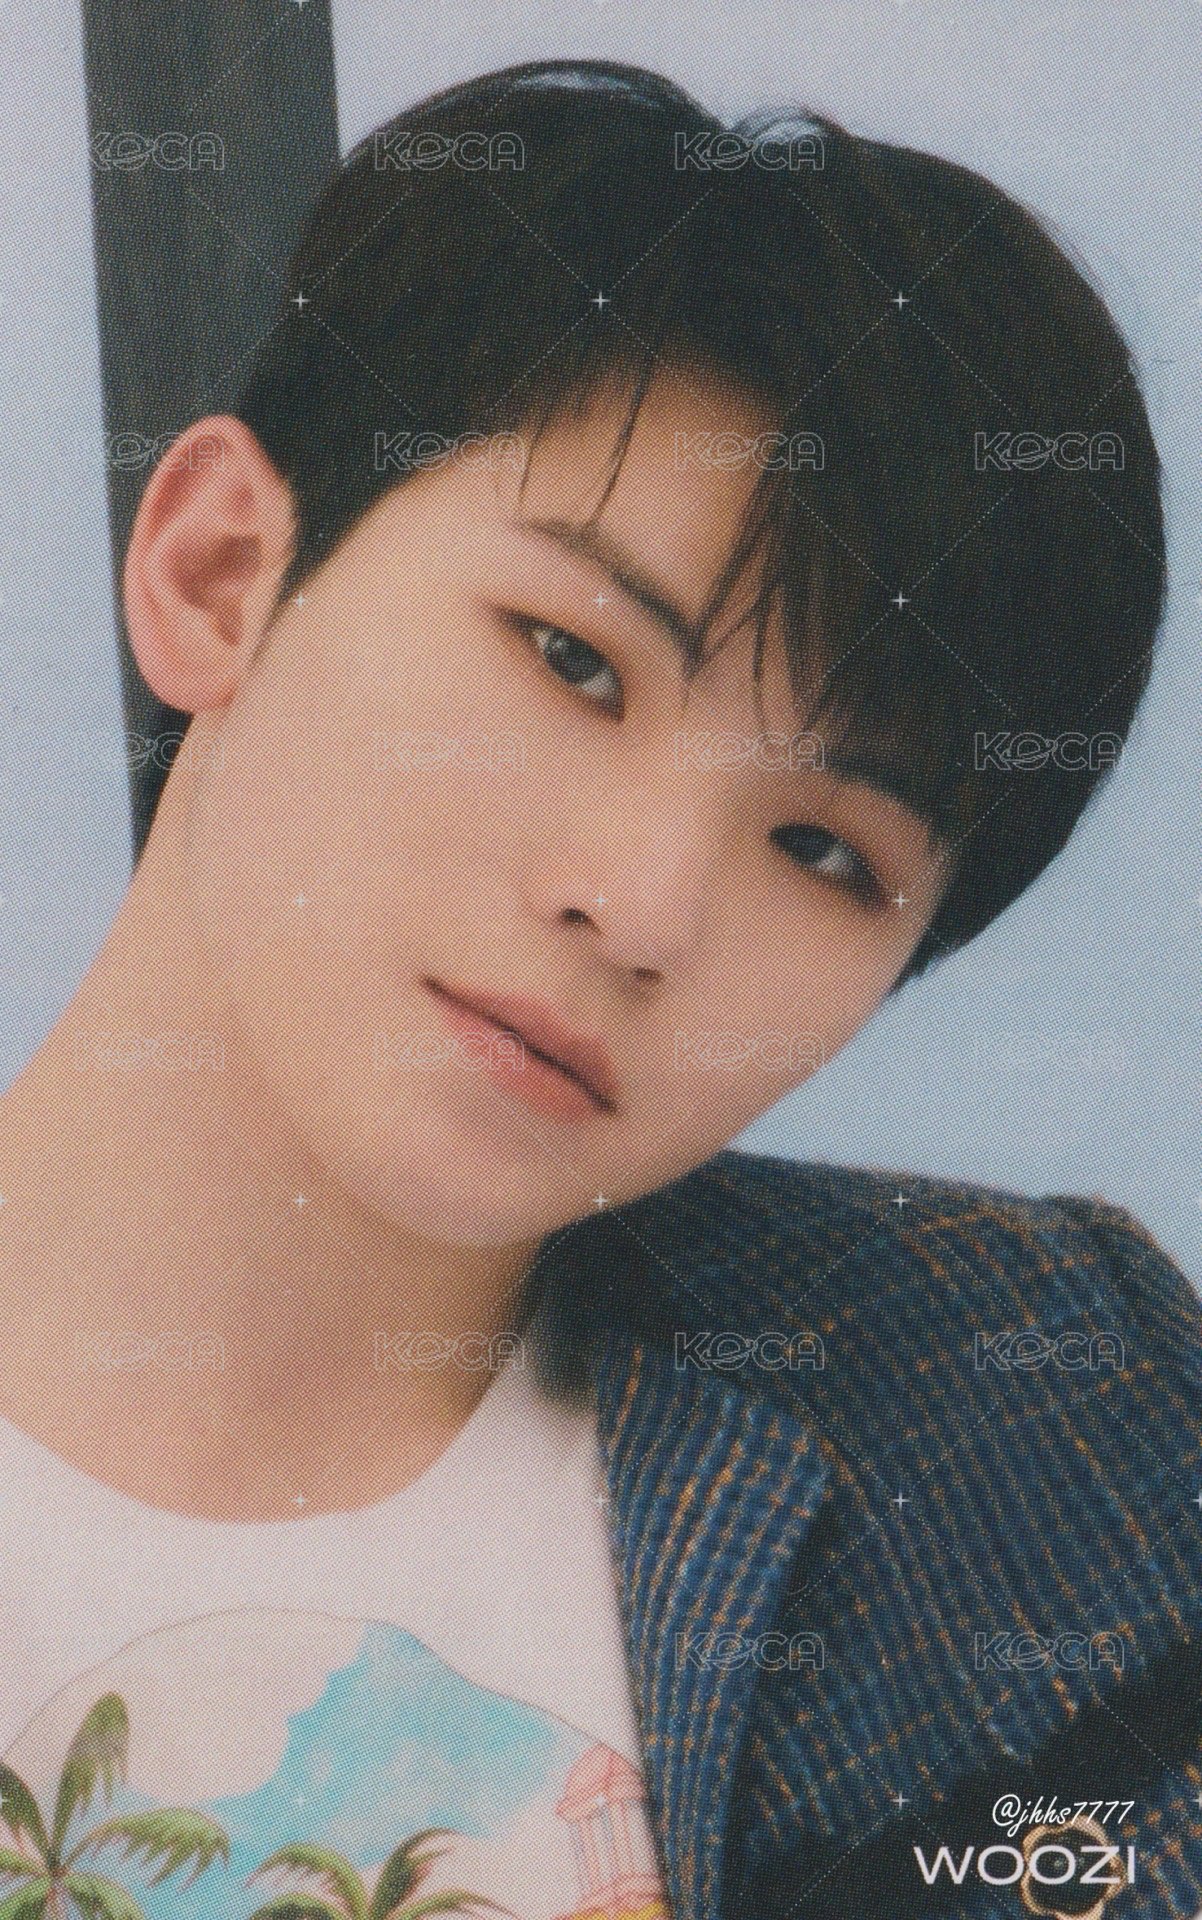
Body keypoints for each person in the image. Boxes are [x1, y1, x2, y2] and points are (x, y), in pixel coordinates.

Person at [0, 55, 1198, 1920]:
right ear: (220, 573)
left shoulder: (1045, 1426)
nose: (643, 909)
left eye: (824, 852)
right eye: (571, 659)